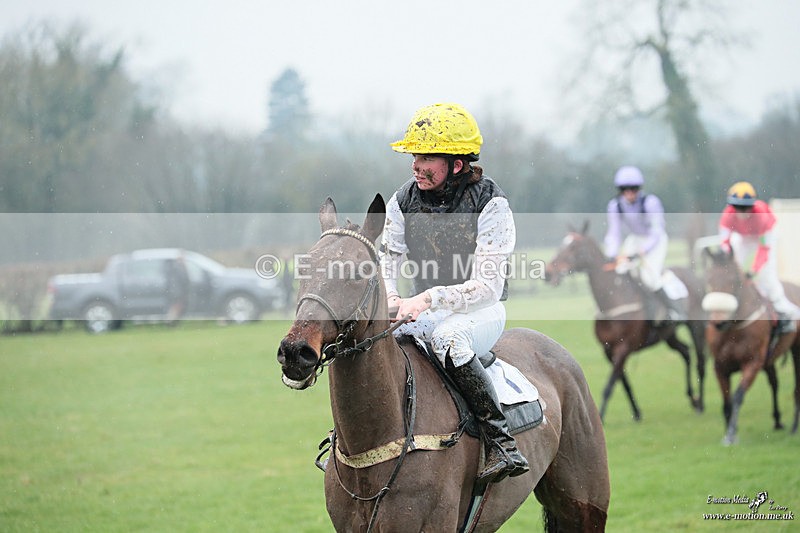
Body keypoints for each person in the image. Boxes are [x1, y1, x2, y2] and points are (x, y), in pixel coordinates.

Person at [379, 102, 529, 483]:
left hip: (481, 311)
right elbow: (388, 259)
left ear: (457, 164)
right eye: (415, 155)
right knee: (374, 339)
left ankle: (501, 443)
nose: (416, 164)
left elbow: (486, 286)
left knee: (448, 337)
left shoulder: (491, 202)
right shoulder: (401, 200)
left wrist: (427, 299)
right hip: (422, 308)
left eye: (427, 156)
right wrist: (390, 297)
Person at [603, 165, 687, 323]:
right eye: (624, 189)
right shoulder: (615, 206)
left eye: (633, 188)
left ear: (639, 188)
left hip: (655, 241)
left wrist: (642, 251)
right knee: (621, 271)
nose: (629, 193)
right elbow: (614, 233)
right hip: (635, 238)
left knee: (650, 278)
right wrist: (611, 254)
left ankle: (675, 311)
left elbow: (656, 231)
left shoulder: (651, 203)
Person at [719, 181, 799, 334]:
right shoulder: (727, 215)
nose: (741, 212)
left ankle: (787, 313)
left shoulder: (761, 215)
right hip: (743, 237)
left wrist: (753, 271)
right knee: (737, 271)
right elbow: (725, 243)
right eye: (737, 208)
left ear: (752, 205)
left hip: (764, 237)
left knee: (766, 276)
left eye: (745, 207)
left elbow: (763, 249)